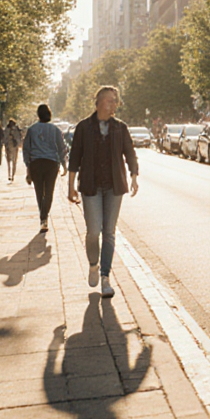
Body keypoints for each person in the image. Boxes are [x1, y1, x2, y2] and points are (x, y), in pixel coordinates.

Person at [67, 86, 139, 298]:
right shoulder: (83, 127)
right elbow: (74, 157)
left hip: (114, 186)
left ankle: (105, 277)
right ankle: (93, 264)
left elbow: (130, 153)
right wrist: (70, 186)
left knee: (109, 232)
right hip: (91, 186)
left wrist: (134, 176)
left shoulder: (120, 128)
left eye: (115, 100)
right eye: (109, 100)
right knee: (93, 232)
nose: (113, 104)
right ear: (98, 102)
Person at [23, 103, 68, 233]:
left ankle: (43, 218)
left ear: (38, 115)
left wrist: (28, 166)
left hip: (36, 163)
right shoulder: (55, 130)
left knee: (39, 192)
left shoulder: (32, 130)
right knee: (49, 192)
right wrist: (64, 164)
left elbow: (26, 149)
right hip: (51, 163)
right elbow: (61, 148)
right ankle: (44, 217)